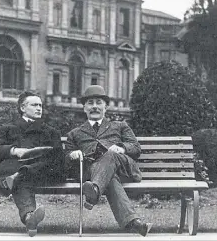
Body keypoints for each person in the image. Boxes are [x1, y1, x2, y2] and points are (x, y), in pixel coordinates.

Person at [65, 85, 152, 237]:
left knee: (110, 154)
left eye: (99, 102)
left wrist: (122, 148)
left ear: (106, 107)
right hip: (94, 173)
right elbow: (66, 158)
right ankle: (135, 223)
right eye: (90, 103)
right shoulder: (75, 134)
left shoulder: (120, 126)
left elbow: (136, 147)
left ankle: (94, 193)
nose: (95, 106)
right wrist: (73, 154)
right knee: (110, 179)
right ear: (84, 107)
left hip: (123, 168)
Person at [0, 91, 65, 237]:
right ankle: (29, 217)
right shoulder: (8, 128)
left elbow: (58, 157)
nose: (39, 108)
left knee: (23, 174)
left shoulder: (50, 131)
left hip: (44, 172)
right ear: (23, 108)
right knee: (22, 178)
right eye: (34, 105)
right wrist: (14, 150)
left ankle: (18, 175)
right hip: (23, 173)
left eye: (40, 105)